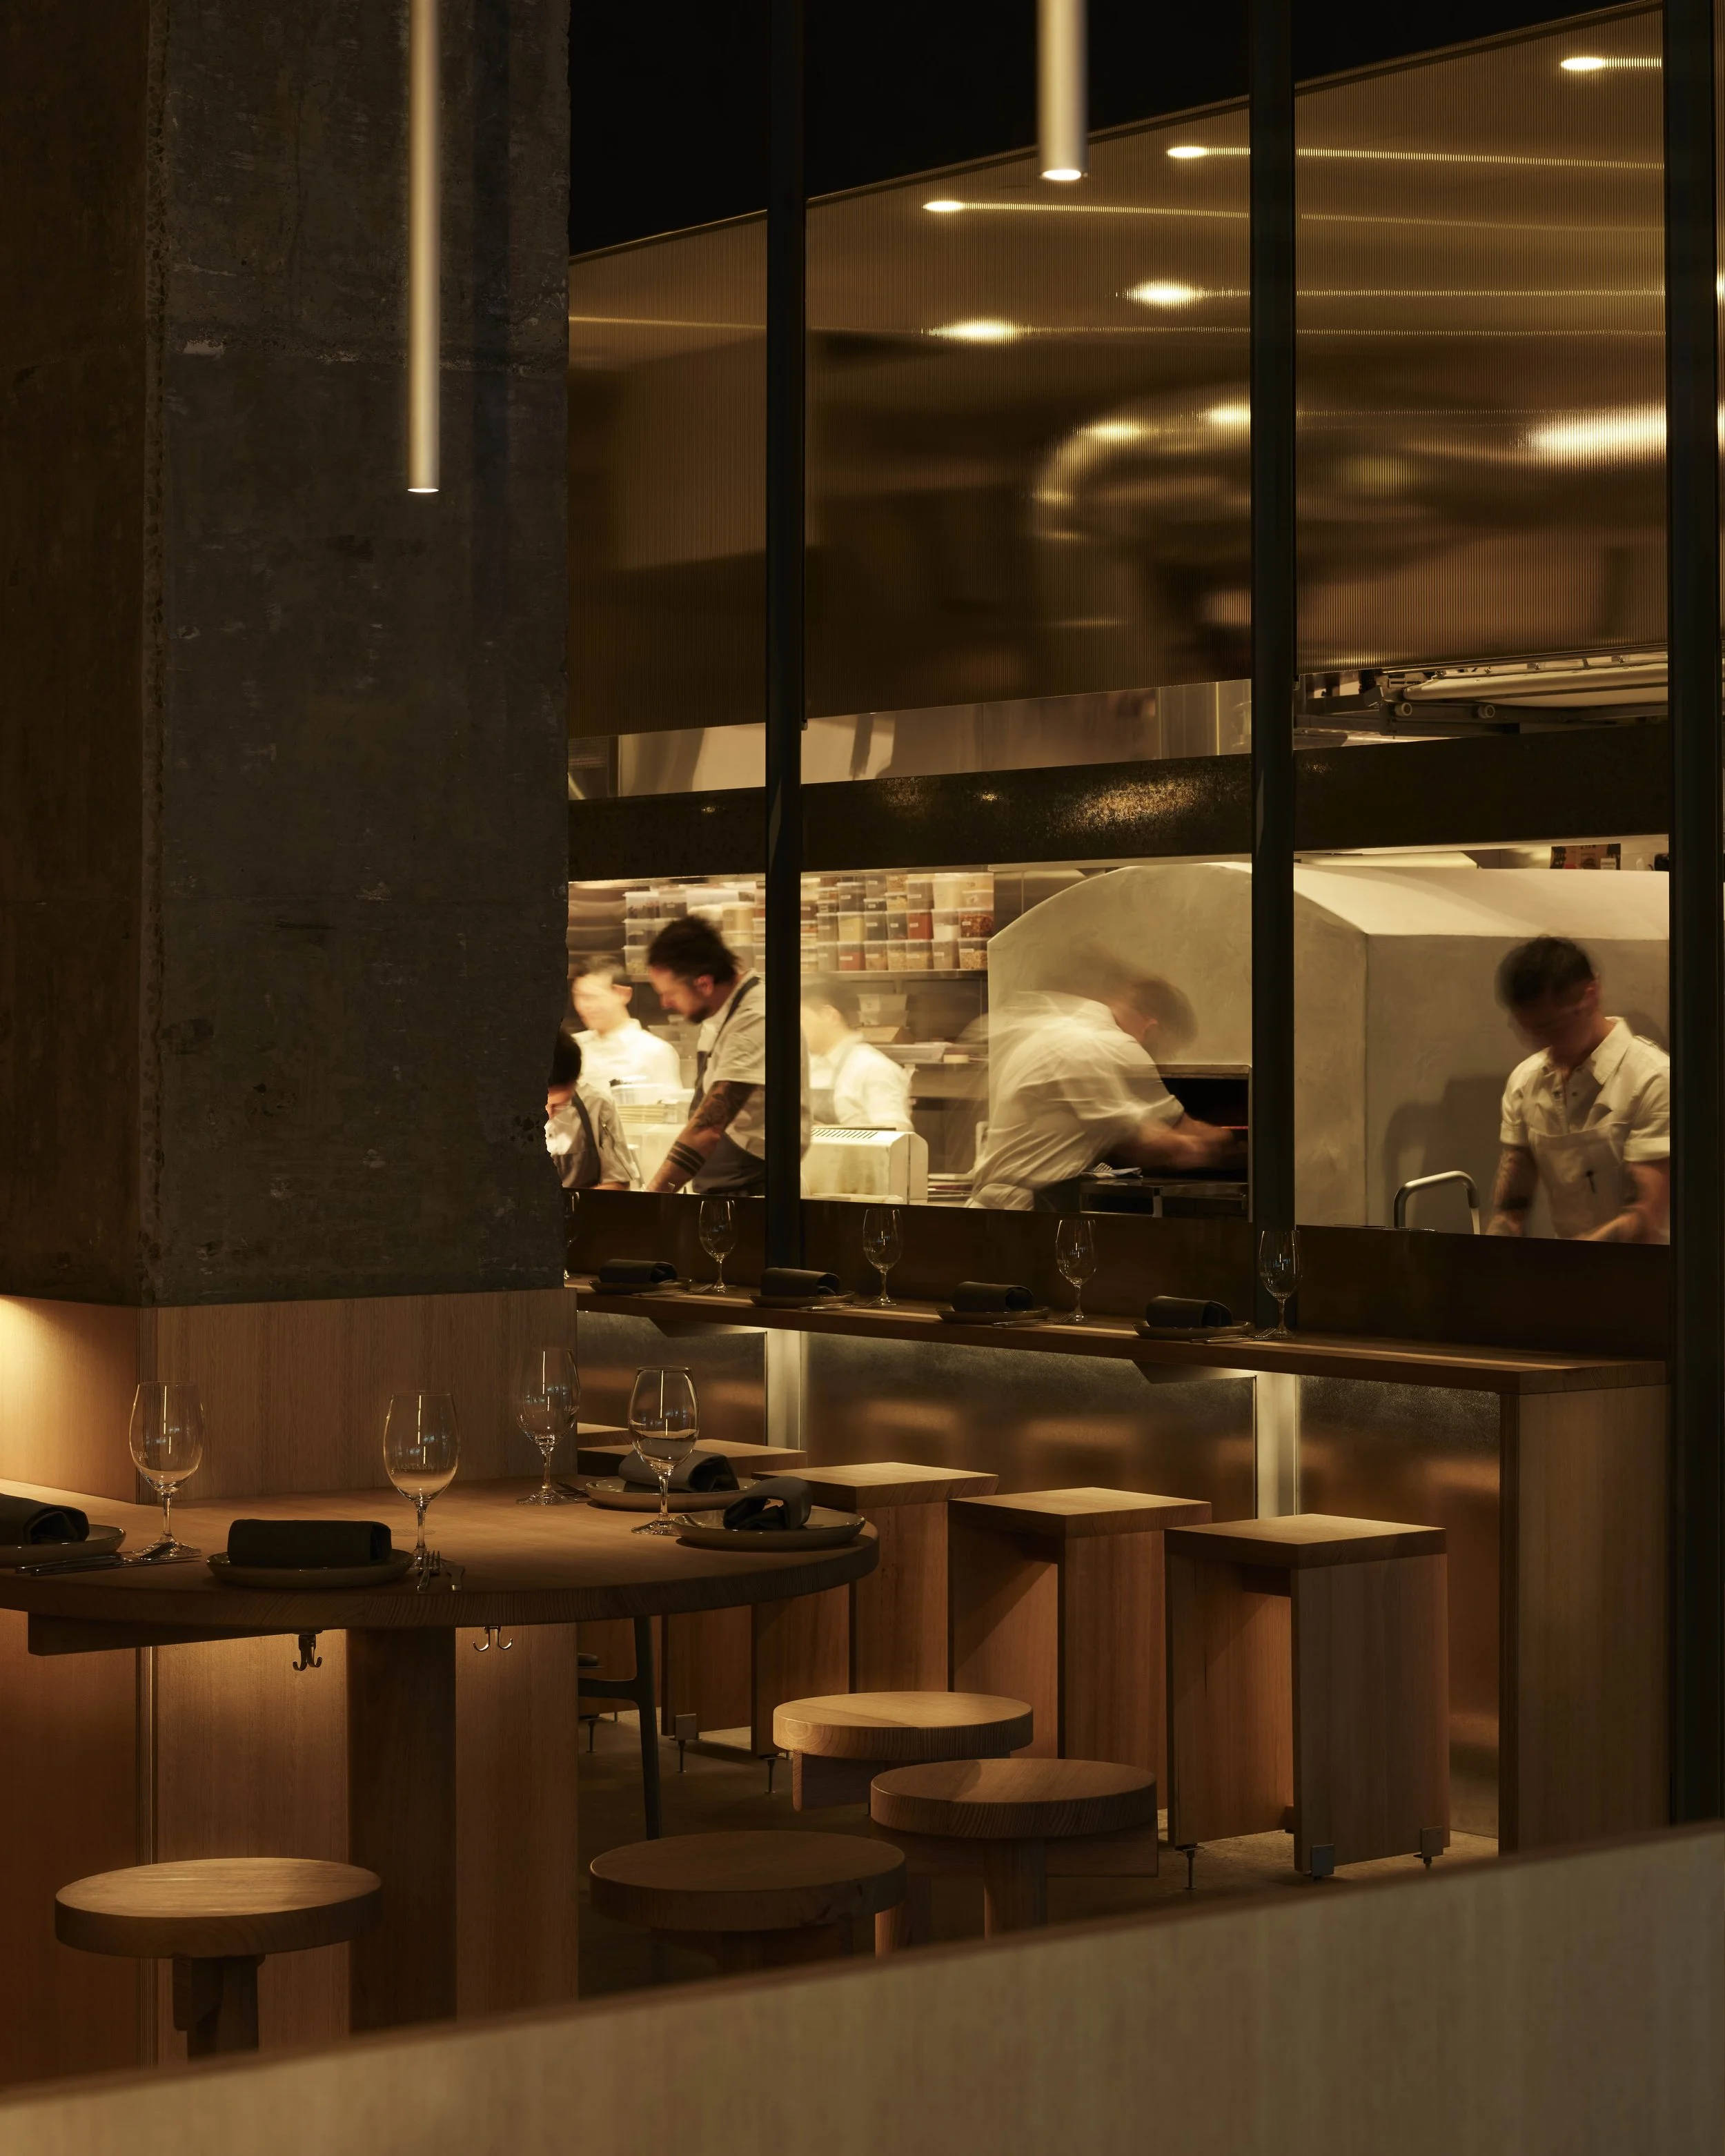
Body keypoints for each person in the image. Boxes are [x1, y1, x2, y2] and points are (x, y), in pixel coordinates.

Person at [967, 971, 1239, 1211]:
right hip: (1024, 1213)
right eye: (1166, 1046)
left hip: (999, 1204)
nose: (1157, 1055)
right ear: (1152, 1027)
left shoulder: (1064, 1032)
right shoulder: (1111, 1045)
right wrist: (1230, 1145)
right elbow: (1152, 1143)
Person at [1488, 936, 1669, 1243]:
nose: (1541, 1044)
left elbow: (1643, 1219)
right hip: (1573, 1268)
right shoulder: (1525, 1081)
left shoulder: (1653, 1079)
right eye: (1529, 1031)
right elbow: (1512, 1206)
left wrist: (1563, 1267)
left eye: (1552, 1028)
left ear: (1591, 995)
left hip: (1649, 1274)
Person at [642, 917, 807, 1194]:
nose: (665, 1003)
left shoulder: (755, 1019)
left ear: (705, 984)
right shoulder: (722, 1011)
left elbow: (707, 1129)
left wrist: (653, 1197)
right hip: (724, 1185)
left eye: (670, 993)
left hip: (753, 1190)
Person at [800, 981, 914, 1132]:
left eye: (801, 1018)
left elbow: (895, 1136)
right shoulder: (806, 1064)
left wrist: (830, 1135)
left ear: (828, 1015)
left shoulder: (873, 1067)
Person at [570, 958, 683, 1096]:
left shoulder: (656, 1052)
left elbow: (670, 1110)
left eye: (592, 997)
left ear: (624, 995)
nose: (584, 1006)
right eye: (579, 996)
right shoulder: (571, 1047)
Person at [544, 1032, 633, 1191]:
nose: (548, 1114)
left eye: (558, 1105)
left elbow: (619, 1182)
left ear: (576, 1081)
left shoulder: (597, 1104)